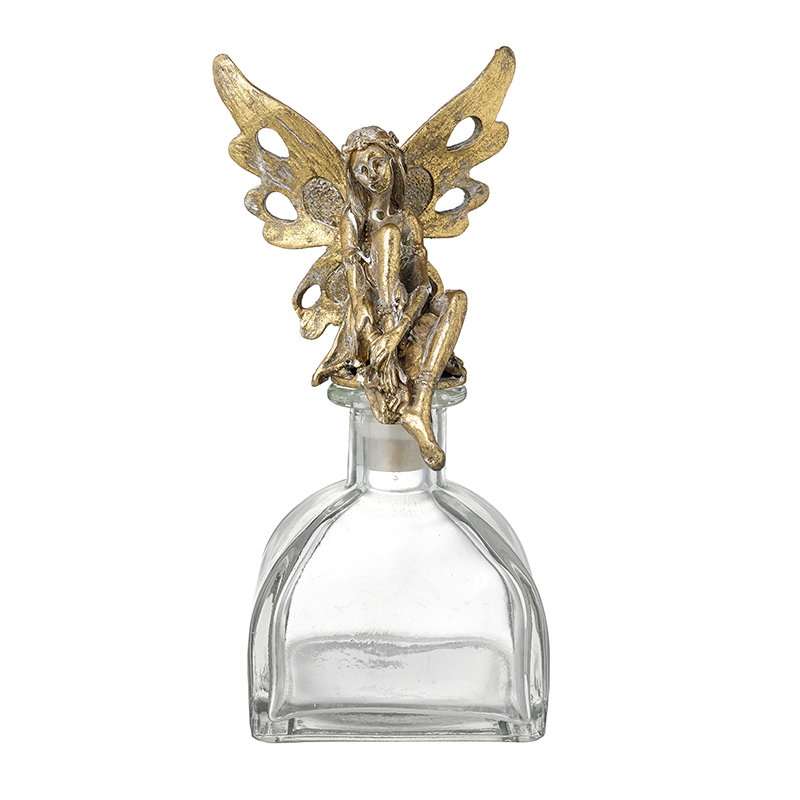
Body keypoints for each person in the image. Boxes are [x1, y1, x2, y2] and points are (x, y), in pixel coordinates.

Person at [313, 126, 467, 470]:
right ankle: (410, 399)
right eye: (361, 170)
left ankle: (420, 406)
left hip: (406, 319)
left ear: (393, 161)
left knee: (457, 299)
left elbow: (423, 287)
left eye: (378, 163)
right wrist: (379, 336)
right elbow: (357, 294)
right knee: (387, 235)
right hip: (371, 325)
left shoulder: (408, 220)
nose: (372, 176)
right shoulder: (353, 220)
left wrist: (400, 331)